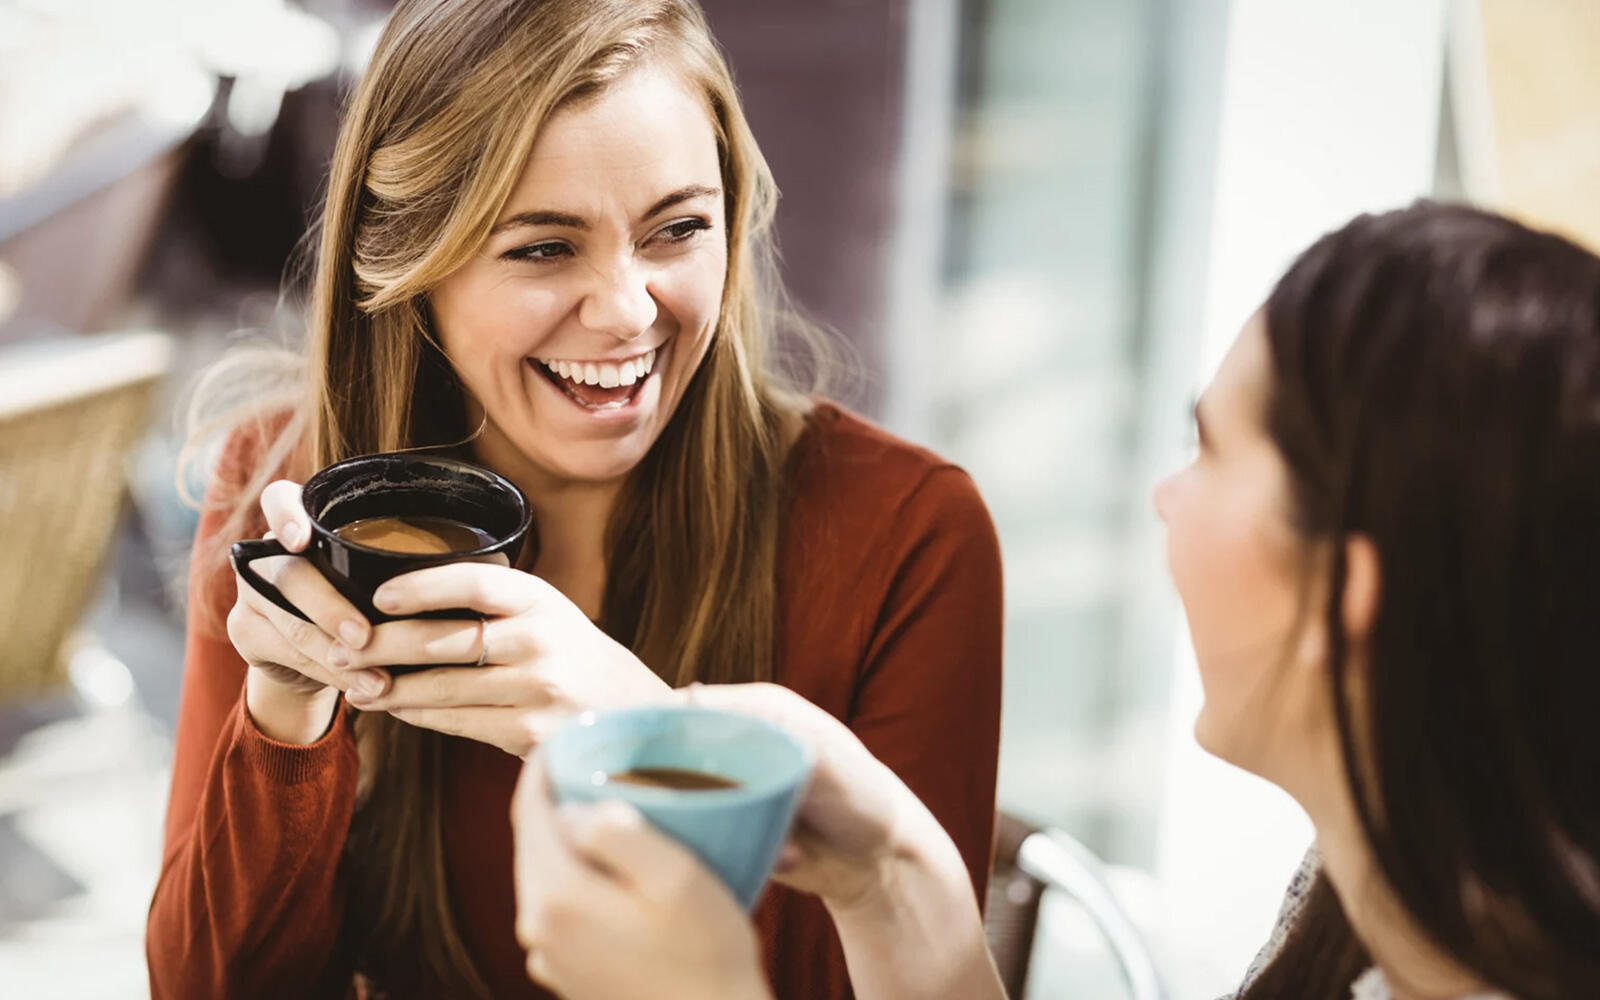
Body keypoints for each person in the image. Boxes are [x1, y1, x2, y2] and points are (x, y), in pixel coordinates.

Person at [511, 202, 1600, 1000]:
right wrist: (889, 872)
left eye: (1209, 451)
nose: (1167, 498)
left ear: (1341, 593)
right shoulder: (1379, 912)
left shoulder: (909, 522)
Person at [145, 1, 1003, 997]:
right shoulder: (287, 484)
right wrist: (286, 714)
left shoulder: (909, 536)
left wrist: (651, 737)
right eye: (544, 248)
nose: (628, 310)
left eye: (677, 229)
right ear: (414, 262)